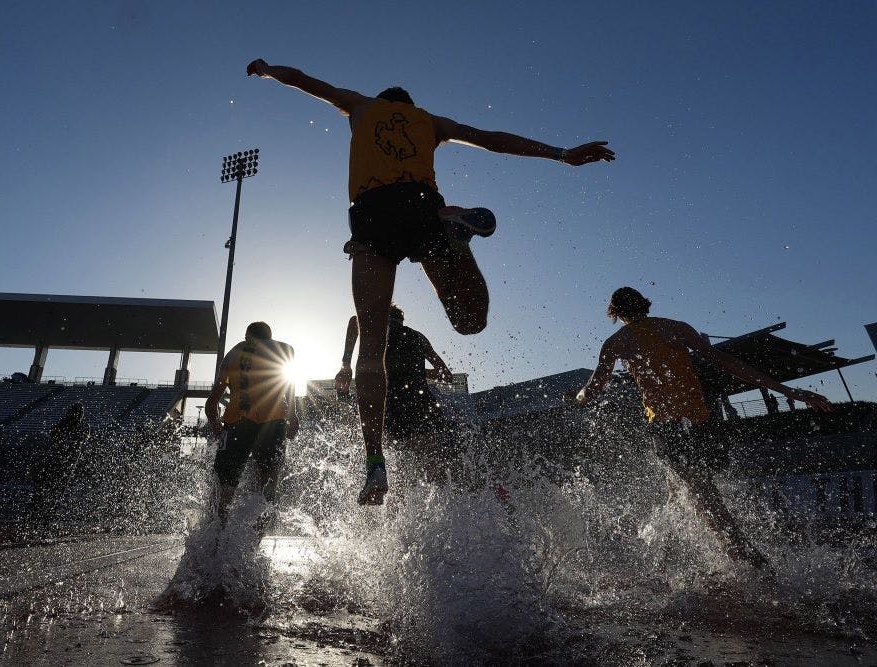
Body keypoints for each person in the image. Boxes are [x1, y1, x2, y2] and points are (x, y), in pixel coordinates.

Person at [247, 58, 615, 504]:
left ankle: (375, 464)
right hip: (423, 208)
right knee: (470, 322)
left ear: (382, 102)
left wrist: (268, 70)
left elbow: (306, 81)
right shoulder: (430, 122)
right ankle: (458, 240)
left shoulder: (360, 107)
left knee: (372, 345)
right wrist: (561, 154)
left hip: (372, 217)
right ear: (410, 105)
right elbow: (490, 140)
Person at [573, 287, 832, 568]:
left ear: (616, 313)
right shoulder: (676, 328)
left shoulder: (616, 343)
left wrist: (577, 396)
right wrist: (789, 392)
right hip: (704, 423)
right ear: (644, 305)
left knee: (702, 498)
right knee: (682, 493)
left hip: (668, 428)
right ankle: (670, 562)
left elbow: (594, 391)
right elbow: (728, 363)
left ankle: (750, 562)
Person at [336, 305, 453, 491]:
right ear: (402, 319)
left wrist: (346, 364)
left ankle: (391, 509)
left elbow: (354, 320)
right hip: (423, 408)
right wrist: (413, 370)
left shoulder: (377, 328)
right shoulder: (418, 337)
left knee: (397, 474)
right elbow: (446, 376)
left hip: (390, 410)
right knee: (436, 478)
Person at [205, 322, 299, 524]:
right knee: (265, 488)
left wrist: (218, 432)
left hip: (237, 423)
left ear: (247, 336)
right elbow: (288, 386)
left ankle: (213, 537)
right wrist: (293, 417)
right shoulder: (285, 350)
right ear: (270, 337)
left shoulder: (233, 354)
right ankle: (250, 544)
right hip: (273, 425)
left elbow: (211, 404)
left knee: (223, 488)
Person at [28, 401, 90, 533]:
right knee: (44, 494)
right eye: (77, 412)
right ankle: (32, 522)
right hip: (57, 464)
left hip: (64, 466)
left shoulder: (81, 426)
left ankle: (42, 523)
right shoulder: (68, 423)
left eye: (80, 413)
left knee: (52, 496)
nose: (78, 415)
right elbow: (52, 435)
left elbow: (81, 439)